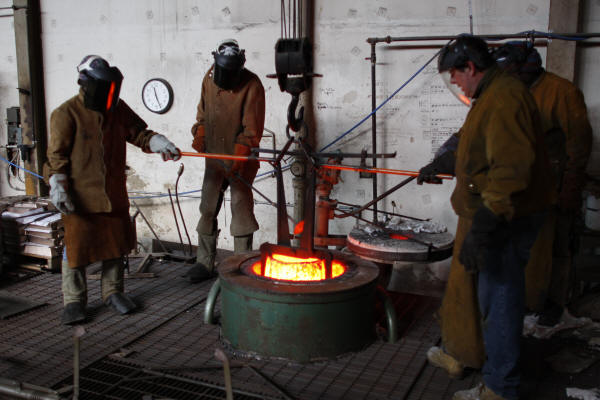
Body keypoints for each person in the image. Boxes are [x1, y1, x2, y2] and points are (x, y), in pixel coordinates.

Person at [418, 35, 553, 399]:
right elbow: (471, 140)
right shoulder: (490, 95)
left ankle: (499, 387)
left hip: (504, 217)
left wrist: (487, 225)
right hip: (489, 213)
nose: (456, 84)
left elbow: (510, 170)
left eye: (456, 76)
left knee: (501, 300)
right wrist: (443, 161)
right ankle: (468, 355)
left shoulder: (505, 98)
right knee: (482, 294)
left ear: (471, 68)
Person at [44, 55, 181, 325]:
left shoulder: (117, 109)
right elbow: (56, 157)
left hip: (113, 193)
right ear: (85, 83)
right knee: (77, 249)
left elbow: (138, 132)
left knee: (115, 246)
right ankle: (74, 301)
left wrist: (157, 141)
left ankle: (113, 292)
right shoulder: (65, 113)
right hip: (80, 197)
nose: (109, 95)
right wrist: (58, 184)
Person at [493, 42, 593, 326]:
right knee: (525, 247)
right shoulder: (509, 92)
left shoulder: (560, 92)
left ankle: (552, 304)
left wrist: (570, 188)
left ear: (524, 69)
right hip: (520, 184)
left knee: (555, 246)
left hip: (554, 183)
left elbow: (579, 143)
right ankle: (524, 300)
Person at [187, 39, 265, 283]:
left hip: (239, 159)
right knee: (207, 206)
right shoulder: (209, 78)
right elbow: (202, 113)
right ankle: (204, 262)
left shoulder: (252, 84)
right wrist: (200, 132)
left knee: (240, 208)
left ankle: (240, 263)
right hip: (214, 157)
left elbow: (252, 130)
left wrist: (239, 156)